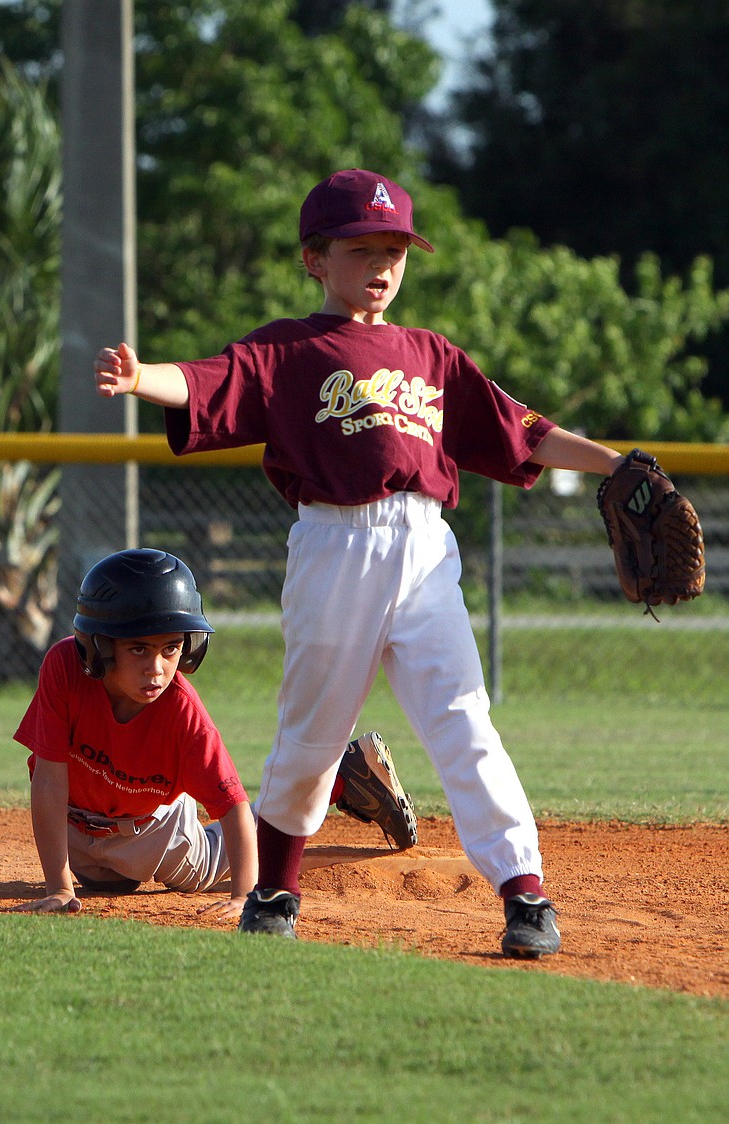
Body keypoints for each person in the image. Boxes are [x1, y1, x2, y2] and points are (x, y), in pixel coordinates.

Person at [94, 169, 628, 956]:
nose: (383, 265)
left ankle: (525, 893)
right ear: (316, 258)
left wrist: (616, 465)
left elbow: (524, 431)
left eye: (397, 250)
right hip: (334, 544)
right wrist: (145, 380)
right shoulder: (290, 348)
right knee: (311, 731)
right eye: (363, 248)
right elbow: (211, 381)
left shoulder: (432, 355)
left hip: (425, 549)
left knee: (464, 721)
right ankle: (275, 890)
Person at [12, 547, 415, 918]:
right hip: (76, 826)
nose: (157, 668)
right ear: (98, 647)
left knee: (206, 864)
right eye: (139, 649)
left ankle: (338, 780)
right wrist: (60, 886)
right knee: (107, 883)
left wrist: (244, 895)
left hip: (153, 827)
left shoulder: (183, 713)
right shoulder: (65, 668)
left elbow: (233, 808)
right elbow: (48, 780)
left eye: (170, 648)